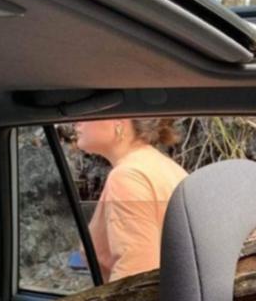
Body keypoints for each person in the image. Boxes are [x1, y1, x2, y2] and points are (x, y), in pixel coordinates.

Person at [74, 119, 187, 282]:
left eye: (88, 114)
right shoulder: (163, 166)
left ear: (119, 122)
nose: (76, 122)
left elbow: (135, 276)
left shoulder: (127, 176)